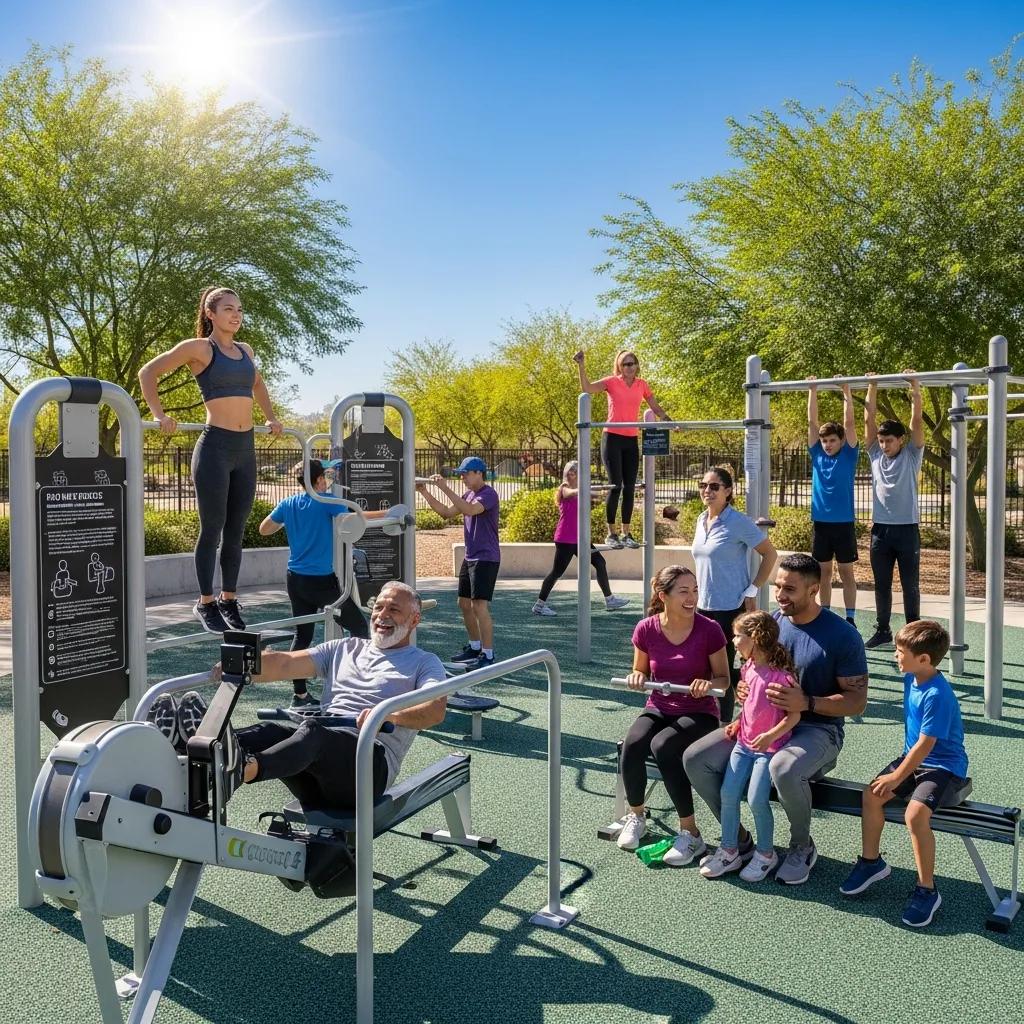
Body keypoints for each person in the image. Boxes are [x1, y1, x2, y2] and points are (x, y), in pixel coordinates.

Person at [684, 553, 868, 885]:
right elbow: (752, 672)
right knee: (696, 758)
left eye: (790, 589)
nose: (781, 595)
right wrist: (744, 692)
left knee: (782, 768)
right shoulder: (770, 624)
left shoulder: (843, 636)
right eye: (778, 586)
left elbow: (857, 701)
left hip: (817, 729)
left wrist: (808, 701)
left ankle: (801, 848)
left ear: (814, 590)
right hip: (760, 725)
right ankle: (737, 843)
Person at [213, 581, 447, 807]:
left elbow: (435, 709)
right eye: (378, 607)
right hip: (317, 772)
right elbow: (285, 663)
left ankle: (244, 770)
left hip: (367, 767)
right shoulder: (344, 648)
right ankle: (197, 748)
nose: (382, 615)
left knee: (312, 732)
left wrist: (386, 715)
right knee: (269, 732)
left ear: (414, 619)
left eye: (394, 609)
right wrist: (239, 664)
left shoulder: (424, 662)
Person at [138, 286, 282, 633]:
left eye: (240, 309)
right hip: (215, 447)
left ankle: (229, 599)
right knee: (212, 528)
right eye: (228, 309)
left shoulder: (246, 351)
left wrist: (271, 417)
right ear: (210, 314)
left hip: (246, 450)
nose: (236, 315)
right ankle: (205, 602)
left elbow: (258, 386)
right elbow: (148, 373)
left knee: (236, 532)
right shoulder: (199, 349)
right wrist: (160, 415)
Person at [839, 620, 967, 928]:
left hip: (943, 767)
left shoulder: (937, 693)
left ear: (923, 659)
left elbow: (926, 745)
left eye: (900, 652)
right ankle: (871, 863)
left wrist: (897, 778)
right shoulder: (912, 677)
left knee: (915, 815)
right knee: (871, 796)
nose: (896, 656)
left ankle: (927, 890)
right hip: (912, 759)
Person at [616, 565, 731, 867]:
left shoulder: (710, 629)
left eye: (694, 590)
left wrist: (708, 685)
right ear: (663, 595)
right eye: (684, 591)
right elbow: (640, 669)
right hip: (660, 706)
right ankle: (637, 816)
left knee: (664, 746)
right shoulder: (646, 628)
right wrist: (636, 677)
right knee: (633, 743)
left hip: (700, 712)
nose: (692, 596)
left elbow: (723, 679)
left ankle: (691, 833)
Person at [259, 458, 393, 708]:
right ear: (319, 480)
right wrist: (392, 512)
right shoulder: (326, 503)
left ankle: (299, 696)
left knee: (303, 635)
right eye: (325, 477)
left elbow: (264, 529)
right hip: (321, 583)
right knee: (359, 629)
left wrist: (293, 521)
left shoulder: (288, 503)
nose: (328, 481)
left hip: (295, 580)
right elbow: (359, 517)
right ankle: (357, 685)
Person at [698, 611, 801, 883]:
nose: (733, 641)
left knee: (756, 800)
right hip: (743, 746)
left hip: (768, 750)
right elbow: (751, 706)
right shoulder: (747, 668)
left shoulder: (783, 677)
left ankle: (766, 854)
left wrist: (770, 736)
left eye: (737, 636)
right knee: (728, 794)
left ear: (755, 637)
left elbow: (794, 716)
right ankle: (729, 849)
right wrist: (737, 721)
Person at [690, 465, 777, 721]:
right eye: (703, 485)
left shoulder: (738, 522)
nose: (707, 490)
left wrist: (752, 588)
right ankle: (706, 719)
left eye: (714, 486)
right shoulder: (700, 519)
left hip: (730, 609)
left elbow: (769, 554)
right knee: (705, 667)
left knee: (724, 671)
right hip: (702, 608)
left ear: (728, 491)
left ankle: (724, 725)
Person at [573, 349, 672, 550]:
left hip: (631, 440)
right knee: (615, 485)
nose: (629, 367)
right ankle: (612, 533)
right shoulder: (612, 382)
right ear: (619, 366)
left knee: (629, 488)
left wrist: (668, 421)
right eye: (625, 364)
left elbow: (655, 406)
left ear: (637, 365)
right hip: (612, 438)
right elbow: (588, 388)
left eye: (632, 363)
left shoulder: (641, 384)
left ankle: (626, 533)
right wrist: (581, 366)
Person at [416, 457, 500, 668]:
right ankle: (474, 647)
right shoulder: (468, 494)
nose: (461, 477)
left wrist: (444, 487)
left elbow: (470, 510)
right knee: (464, 604)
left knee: (479, 606)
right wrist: (424, 492)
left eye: (465, 473)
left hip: (486, 557)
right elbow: (446, 513)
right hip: (471, 556)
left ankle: (488, 654)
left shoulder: (488, 494)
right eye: (460, 473)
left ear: (479, 473)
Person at [863, 370, 925, 649]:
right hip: (881, 530)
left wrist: (914, 386)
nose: (885, 445)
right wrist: (872, 385)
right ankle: (883, 629)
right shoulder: (875, 454)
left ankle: (914, 631)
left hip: (907, 529)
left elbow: (917, 422)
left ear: (901, 440)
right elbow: (868, 418)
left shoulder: (912, 455)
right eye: (882, 440)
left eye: (889, 440)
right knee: (882, 584)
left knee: (910, 585)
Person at [532, 460, 630, 616]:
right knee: (556, 572)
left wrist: (616, 488)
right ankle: (539, 605)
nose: (573, 475)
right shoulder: (564, 489)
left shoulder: (581, 491)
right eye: (571, 473)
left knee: (600, 562)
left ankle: (609, 599)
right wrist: (584, 489)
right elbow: (572, 493)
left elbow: (597, 495)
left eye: (575, 473)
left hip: (581, 538)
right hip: (566, 539)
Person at [807, 377, 860, 624]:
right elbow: (812, 422)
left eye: (832, 440)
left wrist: (846, 391)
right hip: (822, 523)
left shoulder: (849, 455)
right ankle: (826, 613)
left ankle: (850, 617)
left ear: (841, 441)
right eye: (825, 440)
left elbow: (849, 422)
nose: (828, 444)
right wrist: (813, 390)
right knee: (823, 572)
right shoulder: (817, 453)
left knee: (846, 572)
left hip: (843, 523)